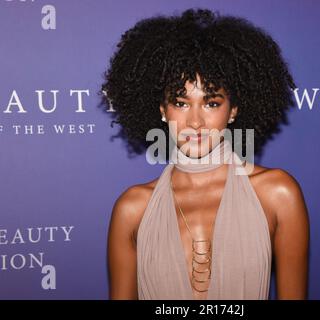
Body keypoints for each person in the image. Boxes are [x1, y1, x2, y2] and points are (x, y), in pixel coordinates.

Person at [101, 8, 309, 300]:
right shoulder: (132, 209)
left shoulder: (277, 194)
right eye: (181, 103)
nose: (195, 122)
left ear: (234, 110)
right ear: (162, 110)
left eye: (211, 103)